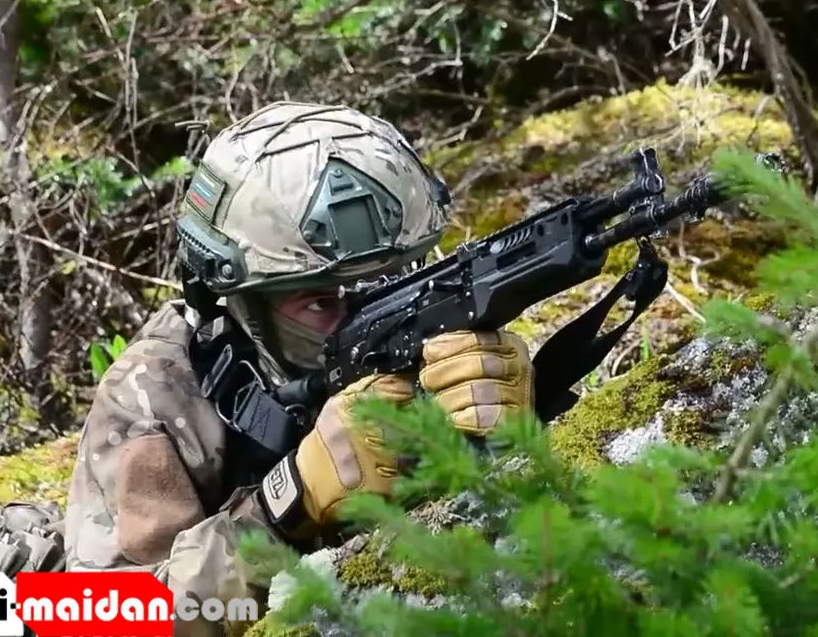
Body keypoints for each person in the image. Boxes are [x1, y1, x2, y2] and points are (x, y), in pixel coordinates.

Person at [63, 102, 535, 636]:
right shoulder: (155, 396)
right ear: (242, 304)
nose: (369, 317)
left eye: (394, 281)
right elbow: (109, 619)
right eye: (320, 301)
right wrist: (286, 504)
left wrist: (515, 429)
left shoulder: (423, 336)